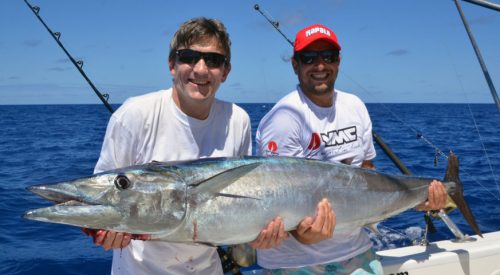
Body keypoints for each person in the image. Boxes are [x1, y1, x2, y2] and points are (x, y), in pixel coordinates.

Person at [83, 17, 287, 274]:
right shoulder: (133, 115)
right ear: (172, 64)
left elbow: (240, 205)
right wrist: (103, 231)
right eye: (189, 57)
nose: (200, 69)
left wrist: (258, 235)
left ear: (225, 71)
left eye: (213, 60)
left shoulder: (238, 120)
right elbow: (103, 199)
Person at [255, 23, 447, 274]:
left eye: (328, 57)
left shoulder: (354, 106)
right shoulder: (283, 119)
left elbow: (367, 172)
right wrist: (305, 236)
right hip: (294, 264)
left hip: (357, 253)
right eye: (309, 58)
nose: (320, 65)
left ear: (339, 61)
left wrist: (419, 198)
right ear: (295, 65)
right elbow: (274, 204)